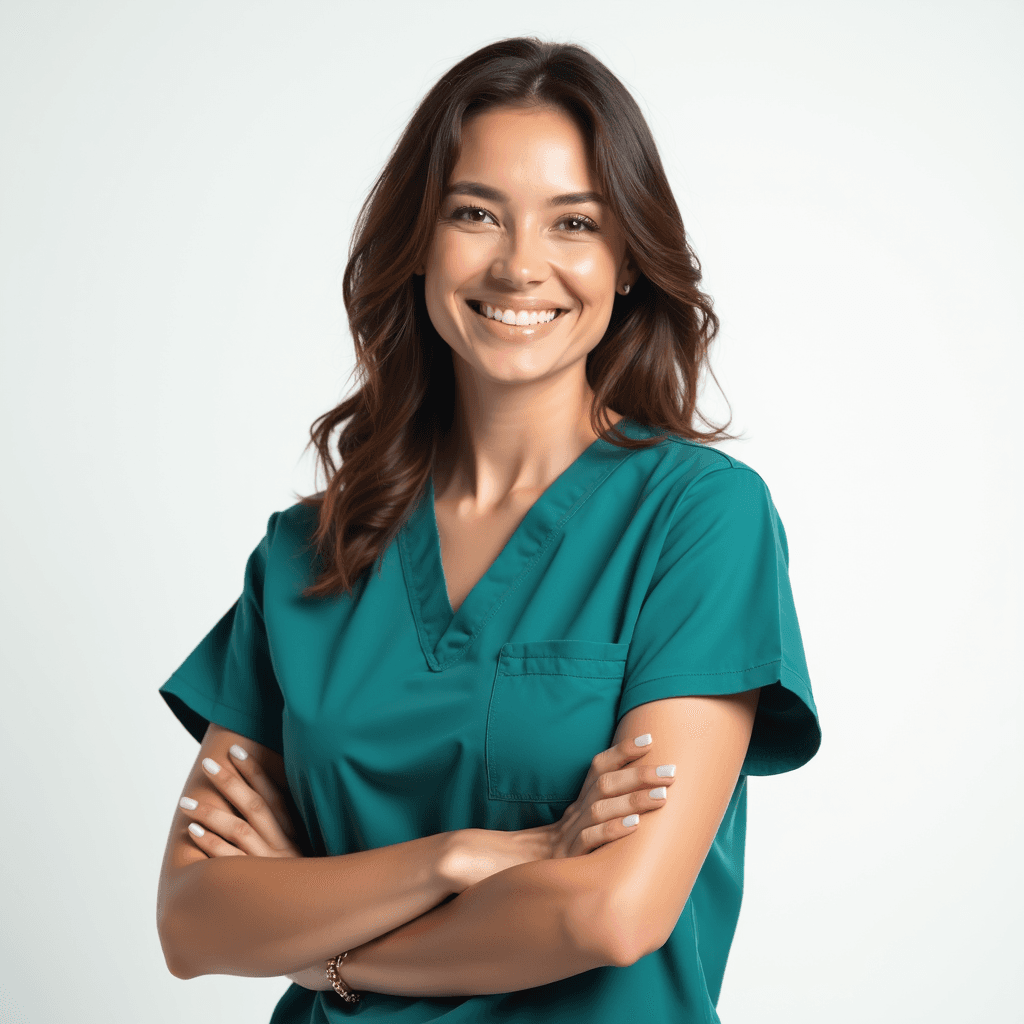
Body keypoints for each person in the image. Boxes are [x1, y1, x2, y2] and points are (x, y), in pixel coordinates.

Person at [156, 36, 821, 1023]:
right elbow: (195, 920)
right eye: (475, 213)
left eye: (574, 224)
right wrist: (462, 856)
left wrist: (327, 955)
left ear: (629, 261)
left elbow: (610, 912)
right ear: (418, 241)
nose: (520, 265)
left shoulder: (697, 520)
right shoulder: (306, 555)